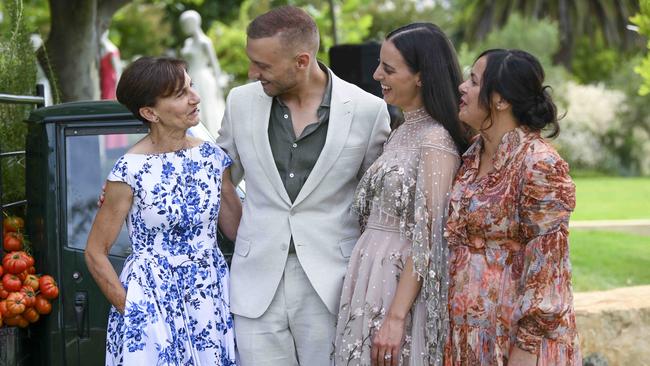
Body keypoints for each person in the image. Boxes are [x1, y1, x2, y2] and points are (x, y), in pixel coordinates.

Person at [215, 6, 391, 366]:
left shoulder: (367, 110)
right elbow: (216, 178)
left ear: (301, 60)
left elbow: (378, 205)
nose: (252, 73)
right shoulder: (240, 102)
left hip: (333, 283)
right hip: (255, 281)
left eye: (262, 65)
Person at [84, 56, 241, 365]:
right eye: (180, 93)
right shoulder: (129, 170)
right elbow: (94, 252)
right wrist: (132, 310)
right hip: (151, 299)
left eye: (191, 87)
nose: (195, 98)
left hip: (209, 297)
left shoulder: (212, 157)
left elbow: (239, 230)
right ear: (149, 112)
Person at [333, 23, 468, 366]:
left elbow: (430, 236)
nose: (377, 74)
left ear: (422, 76)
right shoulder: (402, 130)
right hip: (368, 276)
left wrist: (395, 317)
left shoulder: (436, 141)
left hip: (398, 286)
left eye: (389, 69)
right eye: (380, 64)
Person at [444, 49, 582, 366]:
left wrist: (525, 350)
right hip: (468, 335)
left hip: (516, 345)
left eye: (474, 81)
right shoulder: (471, 158)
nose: (462, 87)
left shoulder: (539, 164)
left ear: (501, 99)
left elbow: (549, 271)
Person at [180, 9, 227, 137]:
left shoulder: (204, 42)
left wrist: (219, 84)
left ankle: (211, 136)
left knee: (206, 107)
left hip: (203, 78)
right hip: (190, 78)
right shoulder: (187, 43)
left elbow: (215, 64)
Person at [99, 30, 122, 100]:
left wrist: (118, 84)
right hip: (102, 79)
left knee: (107, 99)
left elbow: (118, 69)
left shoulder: (111, 50)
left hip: (109, 80)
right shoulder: (102, 49)